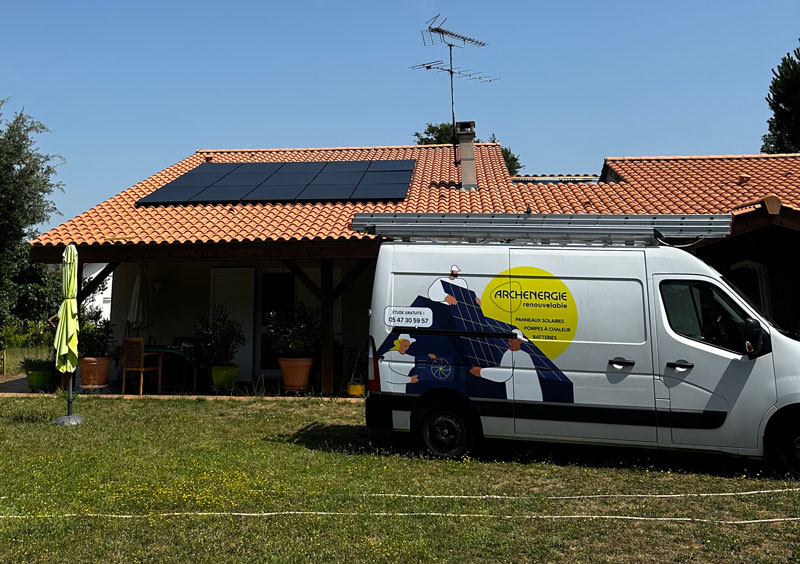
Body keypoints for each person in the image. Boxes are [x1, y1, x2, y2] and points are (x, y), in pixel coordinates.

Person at [469, 329, 541, 401]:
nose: (510, 339)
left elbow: (503, 374)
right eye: (510, 337)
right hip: (529, 398)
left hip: (523, 398)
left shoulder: (513, 355)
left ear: (519, 341)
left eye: (513, 337)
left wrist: (480, 372)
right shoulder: (523, 355)